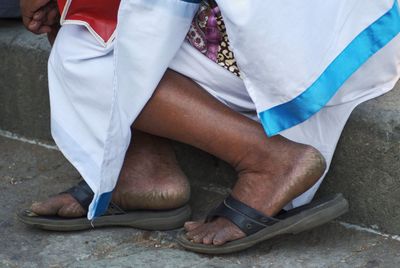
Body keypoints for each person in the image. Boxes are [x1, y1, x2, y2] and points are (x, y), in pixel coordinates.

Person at [19, 0, 399, 254]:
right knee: (97, 16)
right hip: (360, 26)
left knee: (83, 42)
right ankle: (143, 172)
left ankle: (268, 160)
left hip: (303, 42)